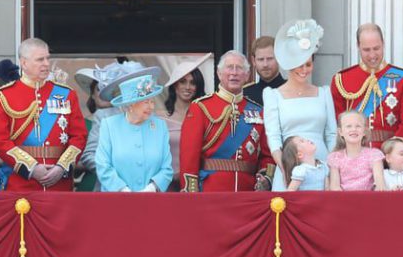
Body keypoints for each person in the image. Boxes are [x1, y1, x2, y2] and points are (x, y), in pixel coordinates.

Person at [0, 38, 87, 192]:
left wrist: (62, 167)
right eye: (40, 59)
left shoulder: (66, 94)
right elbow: (0, 141)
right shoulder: (2, 96)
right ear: (24, 63)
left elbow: (79, 136)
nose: (46, 63)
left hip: (59, 183)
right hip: (21, 184)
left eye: (48, 58)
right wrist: (32, 168)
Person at [179, 50, 274, 192]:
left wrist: (265, 178)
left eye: (239, 68)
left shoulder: (258, 111)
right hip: (211, 192)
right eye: (229, 67)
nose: (234, 72)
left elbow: (268, 155)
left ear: (247, 75)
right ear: (219, 73)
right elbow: (189, 156)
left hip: (247, 192)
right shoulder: (200, 107)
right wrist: (191, 193)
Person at [264, 19, 337, 190]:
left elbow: (332, 134)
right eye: (299, 65)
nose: (304, 70)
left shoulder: (324, 93)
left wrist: (331, 168)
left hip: (322, 166)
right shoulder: (273, 95)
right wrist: (285, 170)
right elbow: (273, 137)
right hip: (289, 165)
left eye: (308, 64)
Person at [331, 23, 403, 149]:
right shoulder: (342, 80)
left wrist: (390, 152)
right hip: (354, 154)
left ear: (383, 44)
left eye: (376, 48)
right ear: (358, 46)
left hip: (390, 156)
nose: (372, 55)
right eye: (366, 50)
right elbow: (338, 125)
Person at [79, 61, 159, 191]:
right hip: (110, 192)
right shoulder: (104, 116)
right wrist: (115, 177)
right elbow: (89, 155)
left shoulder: (153, 119)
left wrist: (153, 185)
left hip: (145, 193)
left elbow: (163, 162)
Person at [95, 73, 173, 192]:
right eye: (146, 102)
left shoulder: (160, 126)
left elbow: (166, 168)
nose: (151, 107)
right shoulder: (109, 125)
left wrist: (152, 188)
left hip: (152, 202)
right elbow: (103, 165)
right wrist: (122, 189)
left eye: (152, 101)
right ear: (131, 104)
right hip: (116, 201)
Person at [160, 54, 209, 189]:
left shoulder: (206, 117)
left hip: (198, 184)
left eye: (193, 83)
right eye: (183, 81)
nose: (188, 87)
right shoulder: (159, 119)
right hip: (167, 185)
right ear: (175, 85)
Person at [327, 111, 386, 191]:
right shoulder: (335, 157)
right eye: (349, 126)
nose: (354, 129)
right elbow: (335, 187)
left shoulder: (374, 155)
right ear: (340, 132)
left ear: (364, 131)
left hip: (369, 200)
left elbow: (380, 186)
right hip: (343, 201)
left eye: (358, 126)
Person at [243, 35, 284, 106]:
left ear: (279, 58)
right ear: (253, 61)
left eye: (270, 59)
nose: (265, 64)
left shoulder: (292, 91)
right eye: (261, 59)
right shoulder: (245, 95)